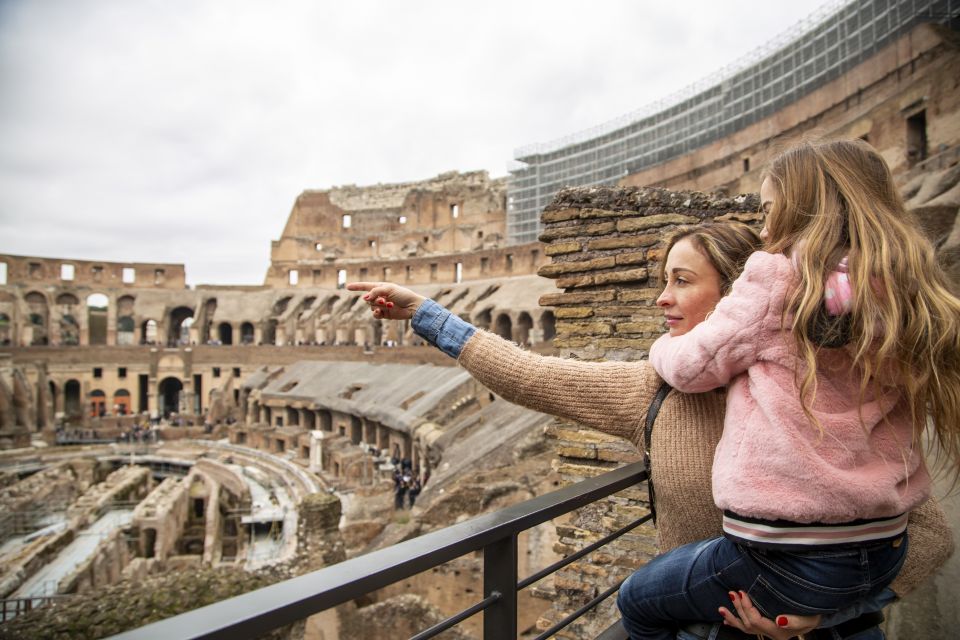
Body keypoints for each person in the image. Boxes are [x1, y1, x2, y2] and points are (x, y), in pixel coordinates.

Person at [348, 217, 953, 639]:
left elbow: (926, 535)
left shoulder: (825, 390)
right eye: (663, 280)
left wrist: (817, 615)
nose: (661, 299)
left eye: (682, 281)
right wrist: (424, 315)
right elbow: (530, 375)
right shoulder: (655, 388)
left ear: (739, 299)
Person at [621, 139, 960, 639]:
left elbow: (694, 367)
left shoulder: (777, 277)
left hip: (783, 557)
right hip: (883, 551)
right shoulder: (898, 286)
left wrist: (659, 349)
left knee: (638, 601)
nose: (761, 230)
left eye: (769, 212)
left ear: (806, 210)